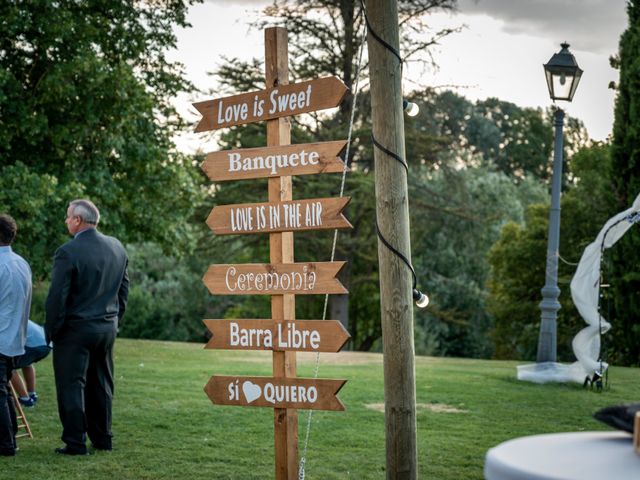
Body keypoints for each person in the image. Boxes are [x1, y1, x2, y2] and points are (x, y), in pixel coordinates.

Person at [45, 199, 129, 456]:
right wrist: (114, 321)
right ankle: (103, 438)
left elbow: (57, 297)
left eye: (68, 217)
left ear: (78, 220)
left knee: (72, 385)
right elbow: (123, 291)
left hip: (75, 330)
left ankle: (75, 442)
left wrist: (52, 331)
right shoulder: (117, 247)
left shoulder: (67, 252)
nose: (66, 221)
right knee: (102, 384)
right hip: (106, 328)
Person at [0, 214, 32, 456]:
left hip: (1, 336)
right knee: (4, 389)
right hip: (15, 337)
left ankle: (6, 444)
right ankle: (10, 439)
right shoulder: (22, 262)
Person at [11, 320, 52, 407]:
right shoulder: (13, 312)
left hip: (33, 345)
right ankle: (31, 394)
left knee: (7, 367)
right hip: (46, 344)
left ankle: (25, 400)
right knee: (26, 363)